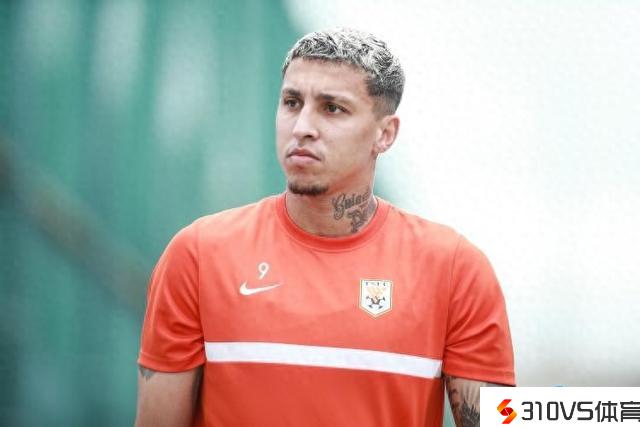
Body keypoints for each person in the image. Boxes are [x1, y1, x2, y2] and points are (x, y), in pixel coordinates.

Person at [134, 28, 515, 427]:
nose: (302, 127)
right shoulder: (198, 255)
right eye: (291, 102)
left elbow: (499, 418)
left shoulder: (454, 270)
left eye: (332, 108)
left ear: (385, 134)